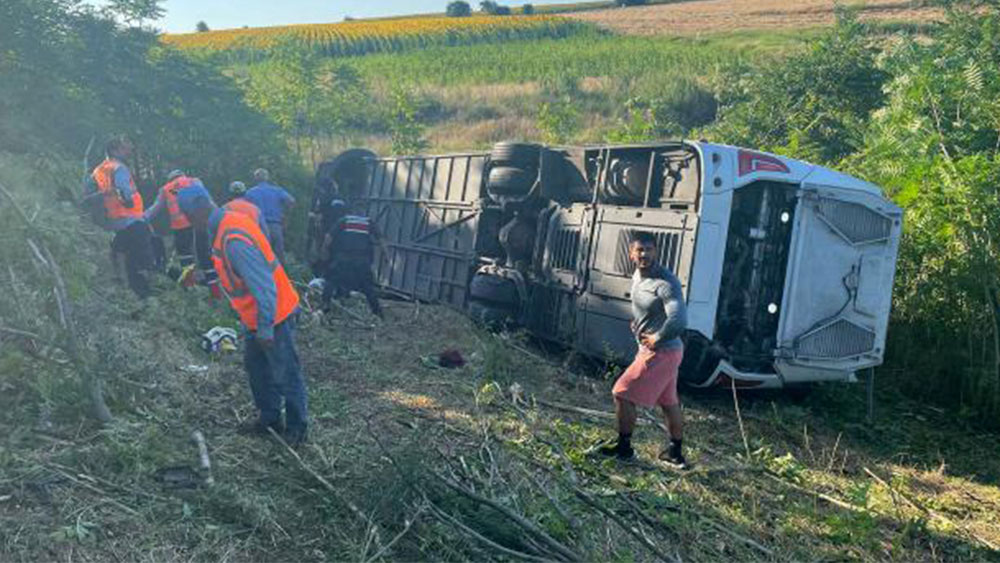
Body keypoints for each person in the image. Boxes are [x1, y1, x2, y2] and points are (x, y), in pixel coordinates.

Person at [177, 185, 309, 445]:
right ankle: (270, 419)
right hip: (257, 316)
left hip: (273, 315)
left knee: (285, 373)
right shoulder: (225, 224)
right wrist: (201, 276)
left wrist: (265, 329)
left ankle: (297, 429)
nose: (190, 224)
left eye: (189, 218)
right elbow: (234, 277)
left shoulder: (233, 239)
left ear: (199, 211)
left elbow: (264, 287)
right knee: (257, 368)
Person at [599, 231, 688, 468]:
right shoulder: (638, 276)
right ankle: (675, 454)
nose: (644, 254)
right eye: (639, 250)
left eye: (649, 250)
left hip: (662, 351)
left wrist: (657, 336)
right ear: (631, 253)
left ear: (656, 252)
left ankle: (624, 448)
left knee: (622, 392)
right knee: (668, 401)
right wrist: (639, 325)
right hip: (665, 351)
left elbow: (678, 321)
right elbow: (647, 309)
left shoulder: (665, 283)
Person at [90, 137, 154, 298]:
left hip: (115, 221)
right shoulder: (119, 168)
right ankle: (144, 294)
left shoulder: (98, 170)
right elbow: (124, 190)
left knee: (126, 256)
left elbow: (92, 195)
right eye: (123, 149)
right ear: (113, 151)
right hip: (131, 219)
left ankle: (131, 290)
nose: (127, 152)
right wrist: (129, 201)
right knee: (139, 259)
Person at [321, 200, 383, 319]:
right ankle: (377, 313)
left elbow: (328, 237)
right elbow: (381, 240)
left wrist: (324, 250)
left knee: (331, 280)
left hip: (343, 258)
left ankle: (325, 304)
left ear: (352, 210)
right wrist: (386, 256)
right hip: (362, 261)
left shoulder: (344, 220)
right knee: (368, 287)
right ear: (364, 211)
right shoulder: (369, 222)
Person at [244, 168, 294, 263]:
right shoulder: (277, 190)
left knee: (261, 256)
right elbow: (291, 201)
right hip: (275, 226)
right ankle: (281, 276)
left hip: (258, 227)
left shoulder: (250, 193)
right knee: (279, 256)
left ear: (255, 178)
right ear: (267, 178)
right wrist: (285, 216)